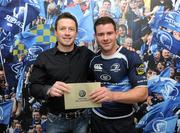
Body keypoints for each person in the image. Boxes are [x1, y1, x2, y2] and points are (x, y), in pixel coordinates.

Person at [29, 12, 94, 133]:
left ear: (76, 33)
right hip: (56, 121)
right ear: (56, 32)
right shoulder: (44, 58)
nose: (67, 33)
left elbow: (105, 62)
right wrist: (48, 90)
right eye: (62, 29)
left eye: (71, 29)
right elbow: (33, 87)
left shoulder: (86, 54)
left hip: (83, 119)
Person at [89, 16, 148, 133]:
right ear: (95, 37)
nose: (105, 38)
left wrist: (112, 96)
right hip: (97, 121)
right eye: (101, 34)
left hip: (123, 123)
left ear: (116, 34)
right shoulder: (93, 59)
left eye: (109, 33)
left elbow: (143, 93)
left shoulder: (132, 56)